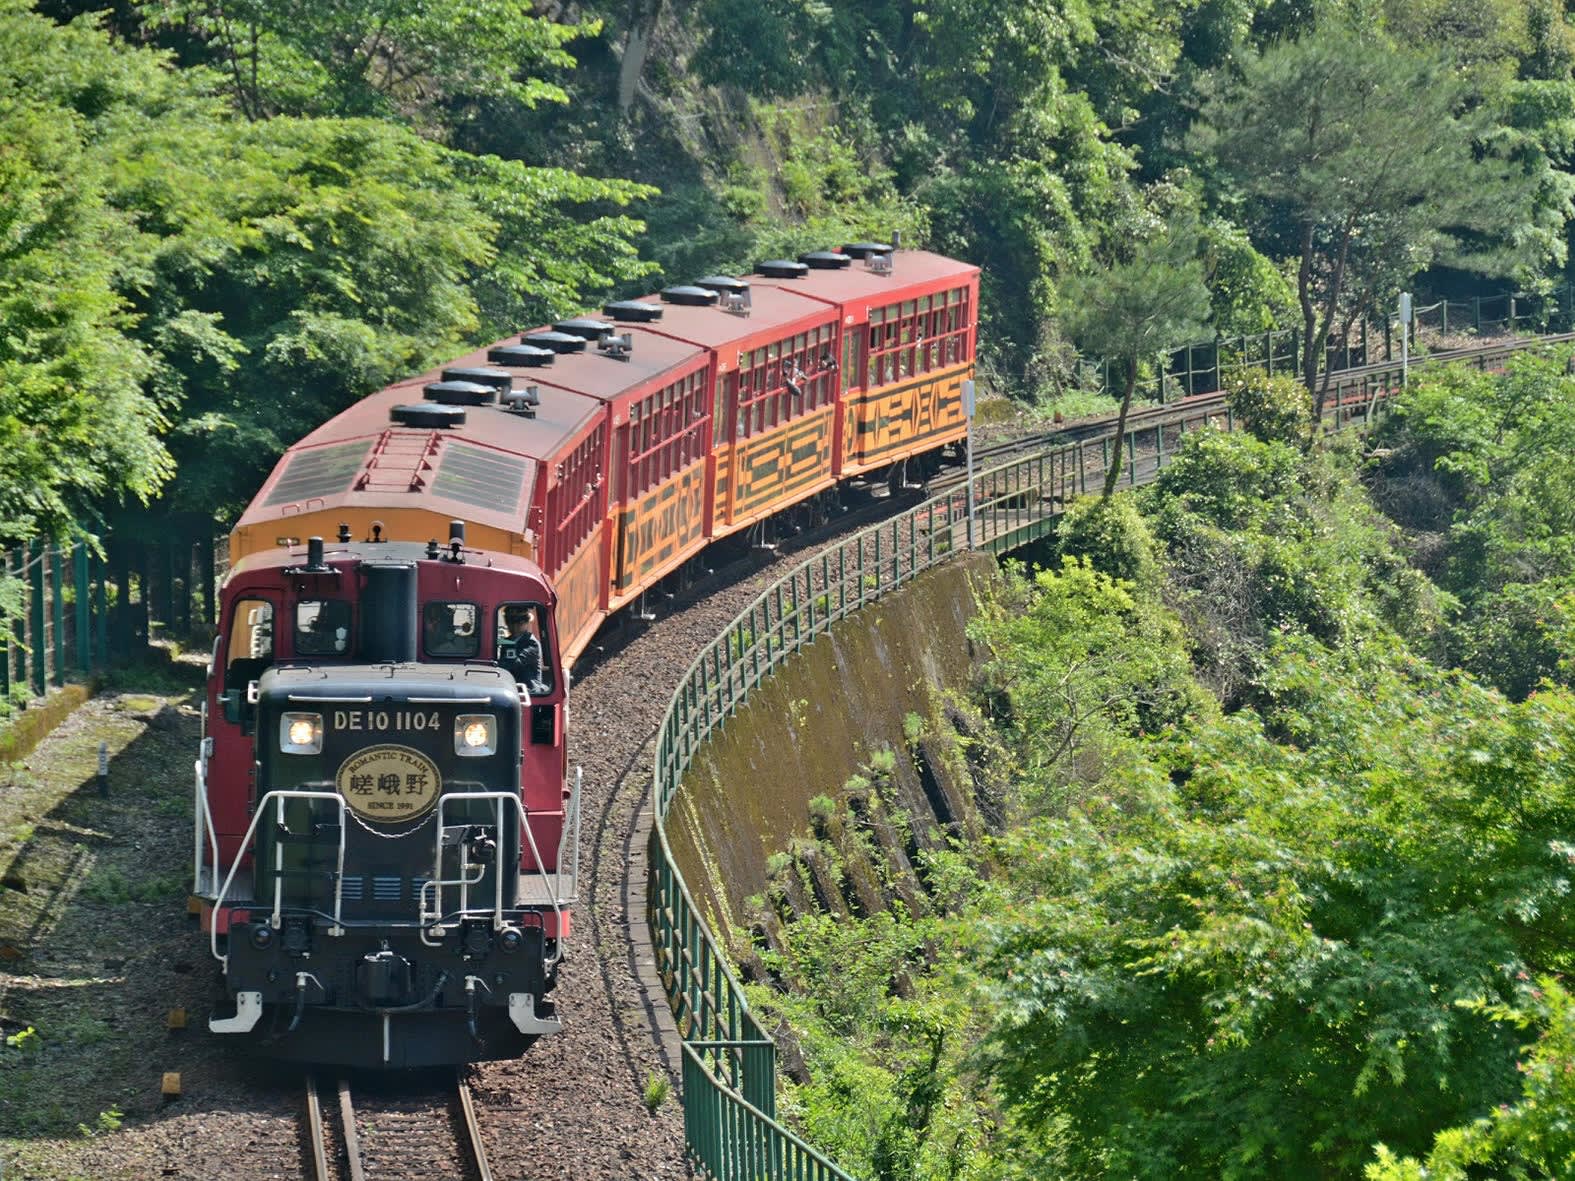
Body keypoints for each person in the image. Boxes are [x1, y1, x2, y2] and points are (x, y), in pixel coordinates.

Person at [501, 605, 545, 692]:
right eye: (510, 622)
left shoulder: (531, 643)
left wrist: (496, 667)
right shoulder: (507, 642)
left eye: (519, 622)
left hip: (529, 690)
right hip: (511, 688)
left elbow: (515, 663)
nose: (514, 626)